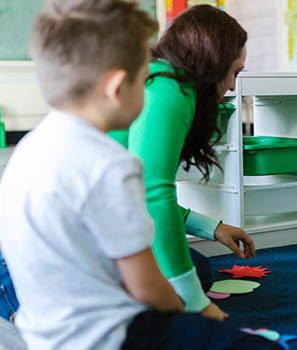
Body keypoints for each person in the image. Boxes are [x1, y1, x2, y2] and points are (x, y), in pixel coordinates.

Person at [0, 1, 279, 348]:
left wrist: (205, 236)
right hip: (104, 334)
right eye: (146, 79)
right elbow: (151, 205)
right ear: (117, 88)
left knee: (193, 270)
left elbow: (126, 205)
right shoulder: (113, 162)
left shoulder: (33, 144)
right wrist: (189, 306)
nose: (152, 88)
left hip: (43, 320)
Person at [126, 4, 255, 320]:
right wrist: (198, 305)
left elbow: (139, 193)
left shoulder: (162, 79)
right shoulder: (169, 88)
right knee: (182, 286)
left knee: (195, 270)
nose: (233, 86)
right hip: (21, 269)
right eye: (235, 71)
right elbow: (152, 196)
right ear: (213, 60)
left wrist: (214, 228)